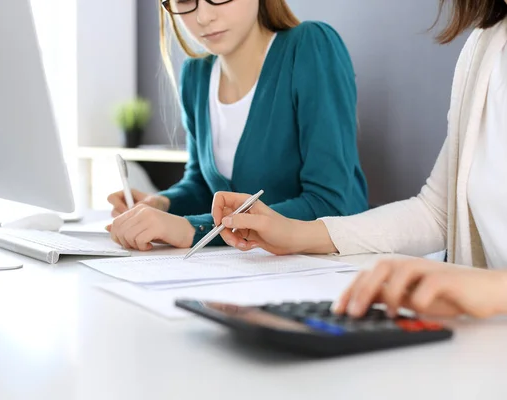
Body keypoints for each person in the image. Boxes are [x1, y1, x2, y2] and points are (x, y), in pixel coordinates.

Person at [211, 0, 507, 319]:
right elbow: (437, 212)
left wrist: (490, 288)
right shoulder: (486, 45)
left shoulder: (311, 45)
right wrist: (296, 234)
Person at [106, 0, 368, 251]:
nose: (203, 17)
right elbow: (201, 186)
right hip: (253, 267)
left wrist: (192, 229)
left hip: (333, 267)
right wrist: (162, 203)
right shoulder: (196, 76)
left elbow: (330, 203)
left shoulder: (310, 46)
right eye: (184, 0)